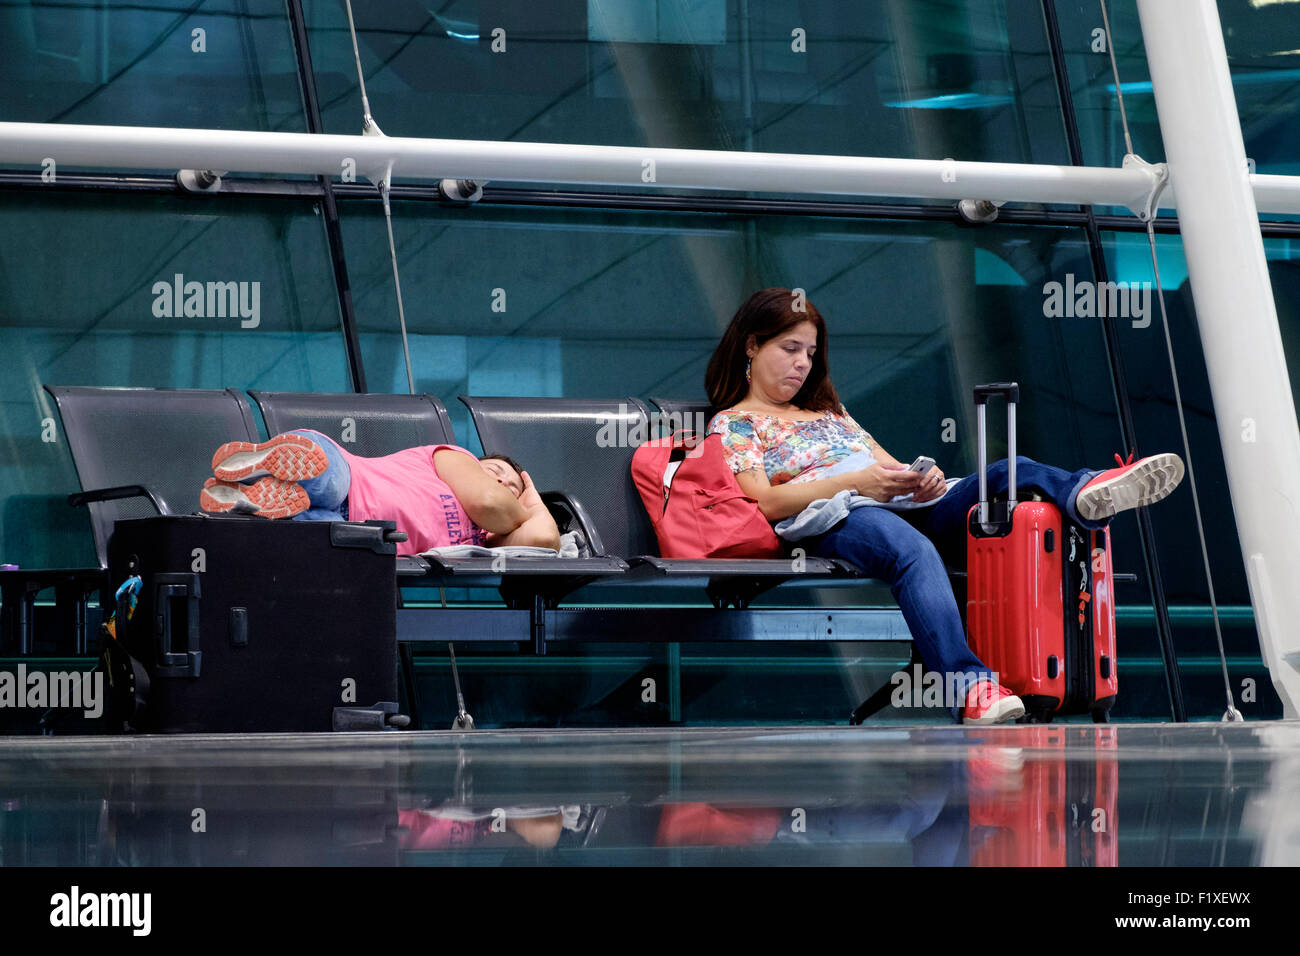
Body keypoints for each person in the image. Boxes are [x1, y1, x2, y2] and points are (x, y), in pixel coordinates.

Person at [705, 288, 1186, 724]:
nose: (803, 364)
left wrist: (920, 481)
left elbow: (887, 468)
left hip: (892, 503)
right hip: (838, 514)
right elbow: (764, 501)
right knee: (910, 549)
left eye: (810, 353)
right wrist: (859, 484)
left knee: (1005, 471)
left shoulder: (829, 412)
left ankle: (1085, 494)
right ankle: (971, 687)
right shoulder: (736, 423)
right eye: (790, 350)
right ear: (751, 346)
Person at [198, 430, 560, 556]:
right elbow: (488, 501)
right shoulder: (453, 458)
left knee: (302, 534)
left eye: (514, 488)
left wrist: (534, 501)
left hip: (350, 536)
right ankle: (270, 460)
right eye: (496, 472)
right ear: (478, 464)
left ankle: (249, 500)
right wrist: (519, 504)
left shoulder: (482, 542)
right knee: (328, 480)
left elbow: (544, 539)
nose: (502, 485)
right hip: (350, 478)